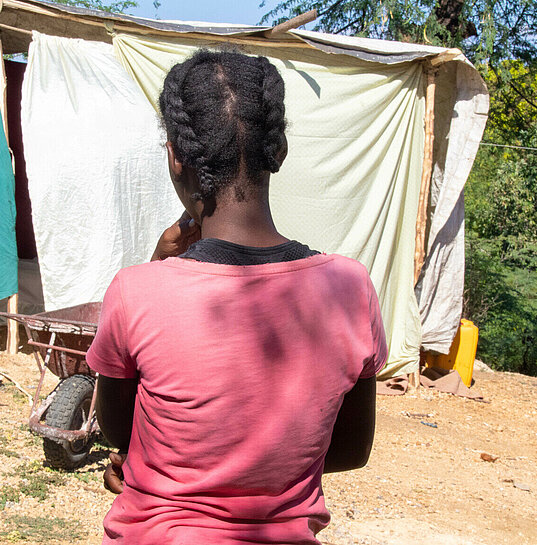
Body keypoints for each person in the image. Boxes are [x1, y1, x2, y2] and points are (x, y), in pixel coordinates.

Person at [87, 49, 388, 545]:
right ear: (279, 150)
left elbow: (120, 431)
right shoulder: (351, 289)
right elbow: (351, 450)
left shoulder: (136, 290)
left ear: (174, 156)